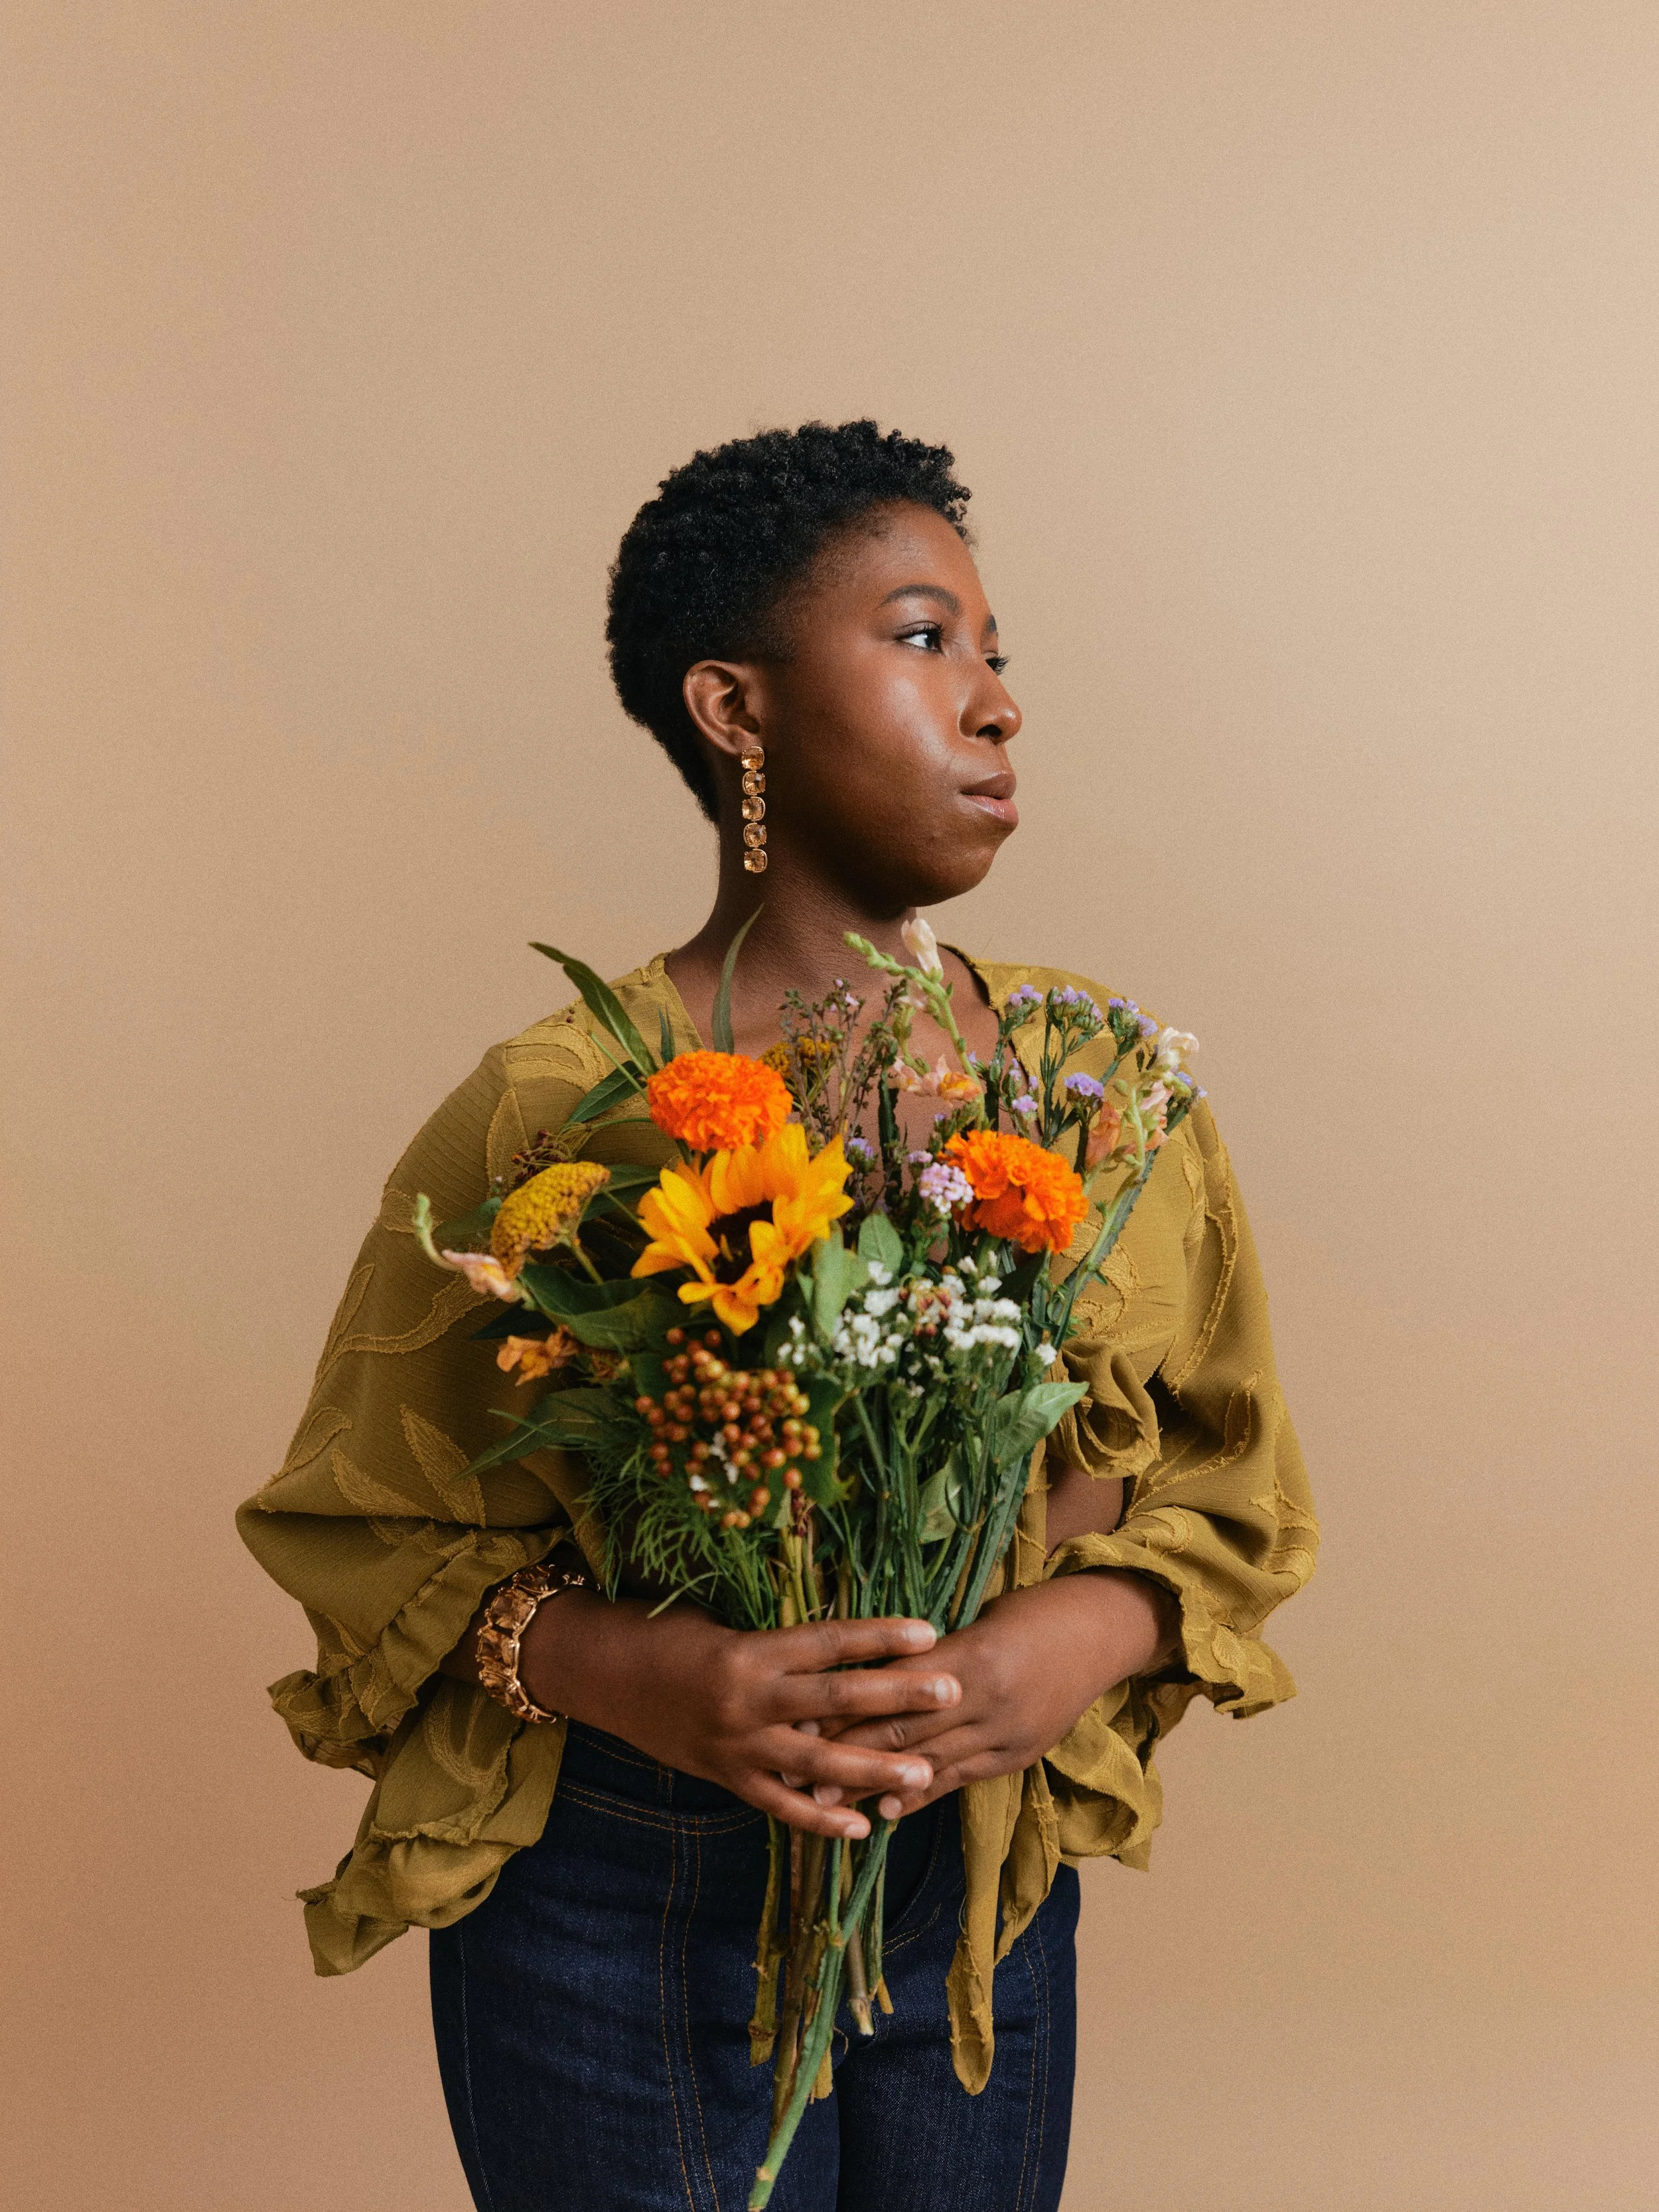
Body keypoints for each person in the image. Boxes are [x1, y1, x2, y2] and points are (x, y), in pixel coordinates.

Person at [239, 420, 1317, 2212]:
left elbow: (1232, 1484)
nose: (991, 705)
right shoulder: (566, 1099)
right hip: (613, 1917)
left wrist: (1073, 1638)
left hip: (974, 1917)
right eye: (918, 638)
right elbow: (364, 1532)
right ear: (733, 711)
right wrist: (648, 1671)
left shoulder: (1097, 1087)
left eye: (991, 652)